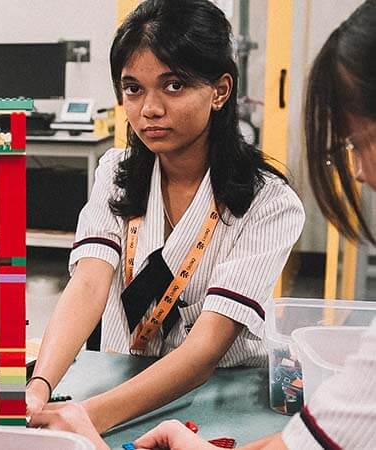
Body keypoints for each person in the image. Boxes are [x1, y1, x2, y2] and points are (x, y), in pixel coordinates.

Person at [33, 1, 376, 449]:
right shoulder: (115, 171)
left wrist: (86, 417)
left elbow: (205, 351)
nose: (149, 109)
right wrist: (38, 390)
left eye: (173, 85)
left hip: (217, 394)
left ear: (220, 91)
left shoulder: (269, 202)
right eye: (133, 89)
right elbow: (88, 284)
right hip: (118, 376)